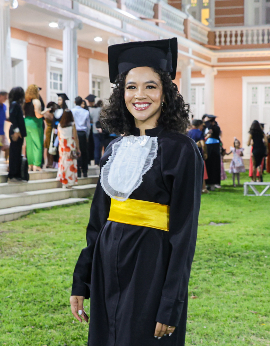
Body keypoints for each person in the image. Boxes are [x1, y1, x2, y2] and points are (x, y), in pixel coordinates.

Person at [70, 37, 202, 346]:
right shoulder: (115, 148)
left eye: (150, 86)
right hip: (106, 264)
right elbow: (97, 222)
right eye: (131, 87)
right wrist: (81, 281)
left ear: (166, 94)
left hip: (150, 269)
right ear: (121, 95)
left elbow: (184, 234)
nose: (139, 95)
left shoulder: (181, 150)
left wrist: (171, 303)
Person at [8, 86, 27, 182]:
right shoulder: (15, 104)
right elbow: (12, 118)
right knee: (14, 153)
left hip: (18, 131)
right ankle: (13, 174)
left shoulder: (16, 104)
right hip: (16, 131)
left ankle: (16, 173)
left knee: (17, 152)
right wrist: (16, 130)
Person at [57, 109, 80, 188]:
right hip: (70, 147)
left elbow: (59, 136)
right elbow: (75, 137)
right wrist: (78, 148)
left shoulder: (59, 125)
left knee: (63, 164)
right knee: (70, 164)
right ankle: (70, 182)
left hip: (62, 147)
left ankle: (64, 181)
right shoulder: (72, 125)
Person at [23, 85, 44, 171]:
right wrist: (46, 111)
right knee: (37, 144)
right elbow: (38, 115)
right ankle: (37, 165)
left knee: (29, 144)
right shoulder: (36, 101)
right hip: (35, 123)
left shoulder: (25, 101)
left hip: (26, 122)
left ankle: (30, 164)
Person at [71, 96, 91, 178]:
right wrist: (87, 136)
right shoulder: (86, 112)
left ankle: (77, 171)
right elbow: (88, 126)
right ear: (81, 103)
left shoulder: (72, 111)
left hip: (75, 133)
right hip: (83, 133)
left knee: (76, 152)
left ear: (74, 102)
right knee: (84, 152)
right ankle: (85, 171)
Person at [187, 119, 208, 193]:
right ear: (199, 125)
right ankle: (203, 188)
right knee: (202, 171)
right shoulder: (199, 132)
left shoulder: (188, 132)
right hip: (198, 154)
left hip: (190, 154)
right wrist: (205, 152)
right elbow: (202, 144)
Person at [204, 114, 222, 190]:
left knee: (210, 164)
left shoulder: (209, 127)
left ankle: (209, 182)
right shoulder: (217, 127)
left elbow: (208, 135)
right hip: (216, 145)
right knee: (215, 165)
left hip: (210, 146)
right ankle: (214, 182)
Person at [86, 94, 103, 165]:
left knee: (95, 145)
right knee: (96, 146)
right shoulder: (99, 110)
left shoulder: (89, 110)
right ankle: (95, 160)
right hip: (94, 129)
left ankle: (94, 159)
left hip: (92, 129)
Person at [43, 101, 59, 168]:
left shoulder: (49, 114)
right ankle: (50, 163)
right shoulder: (49, 114)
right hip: (50, 130)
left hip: (49, 130)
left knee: (49, 147)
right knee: (50, 146)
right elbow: (53, 119)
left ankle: (49, 163)